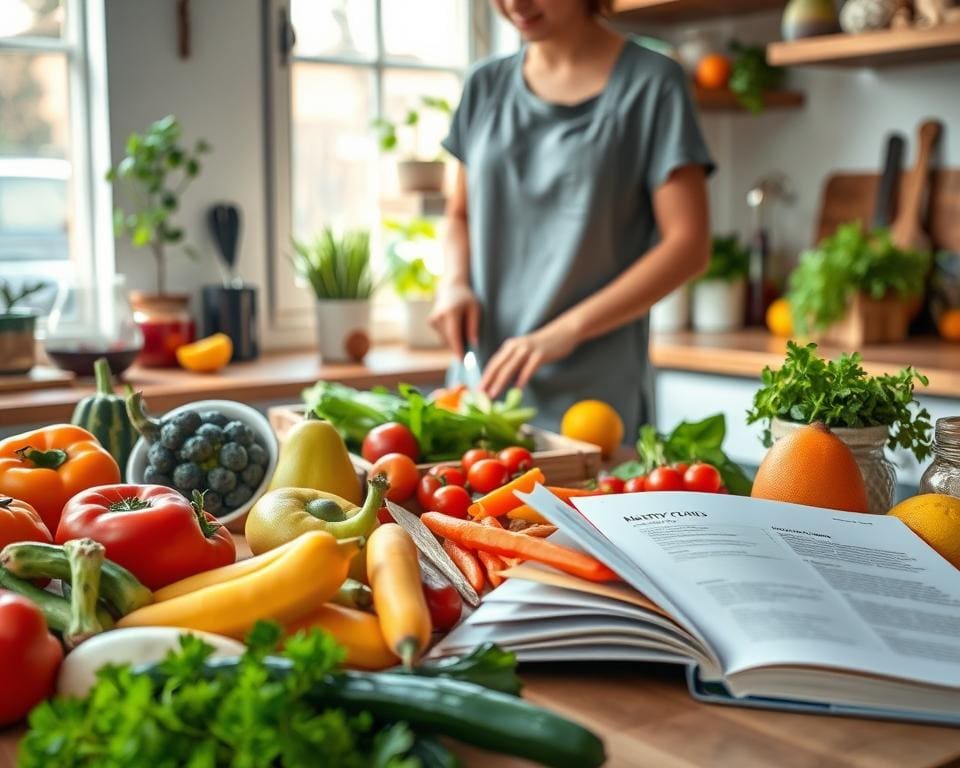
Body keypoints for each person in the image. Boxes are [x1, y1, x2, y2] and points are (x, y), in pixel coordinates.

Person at [430, 0, 713, 438]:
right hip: (481, 394)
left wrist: (563, 332)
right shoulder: (484, 84)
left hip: (594, 404)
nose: (515, 4)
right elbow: (458, 214)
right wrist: (454, 282)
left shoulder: (654, 84)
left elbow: (688, 246)